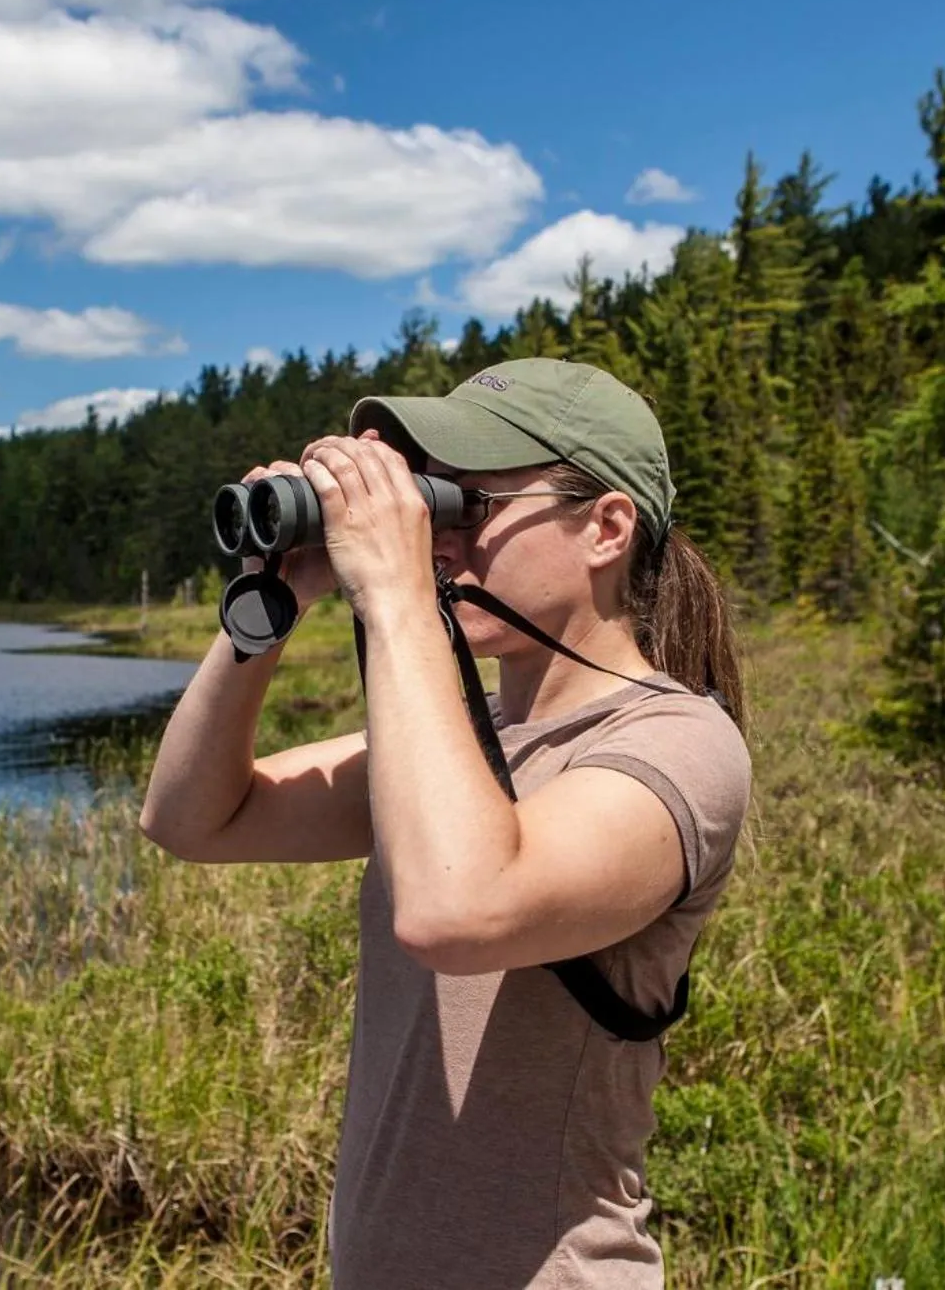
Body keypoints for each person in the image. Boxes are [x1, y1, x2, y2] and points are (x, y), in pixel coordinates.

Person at [138, 357, 752, 1288]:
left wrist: (394, 596)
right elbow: (193, 818)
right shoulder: (463, 741)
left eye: (469, 505)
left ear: (606, 527)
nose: (438, 537)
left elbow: (457, 909)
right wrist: (274, 602)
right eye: (431, 501)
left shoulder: (679, 746)